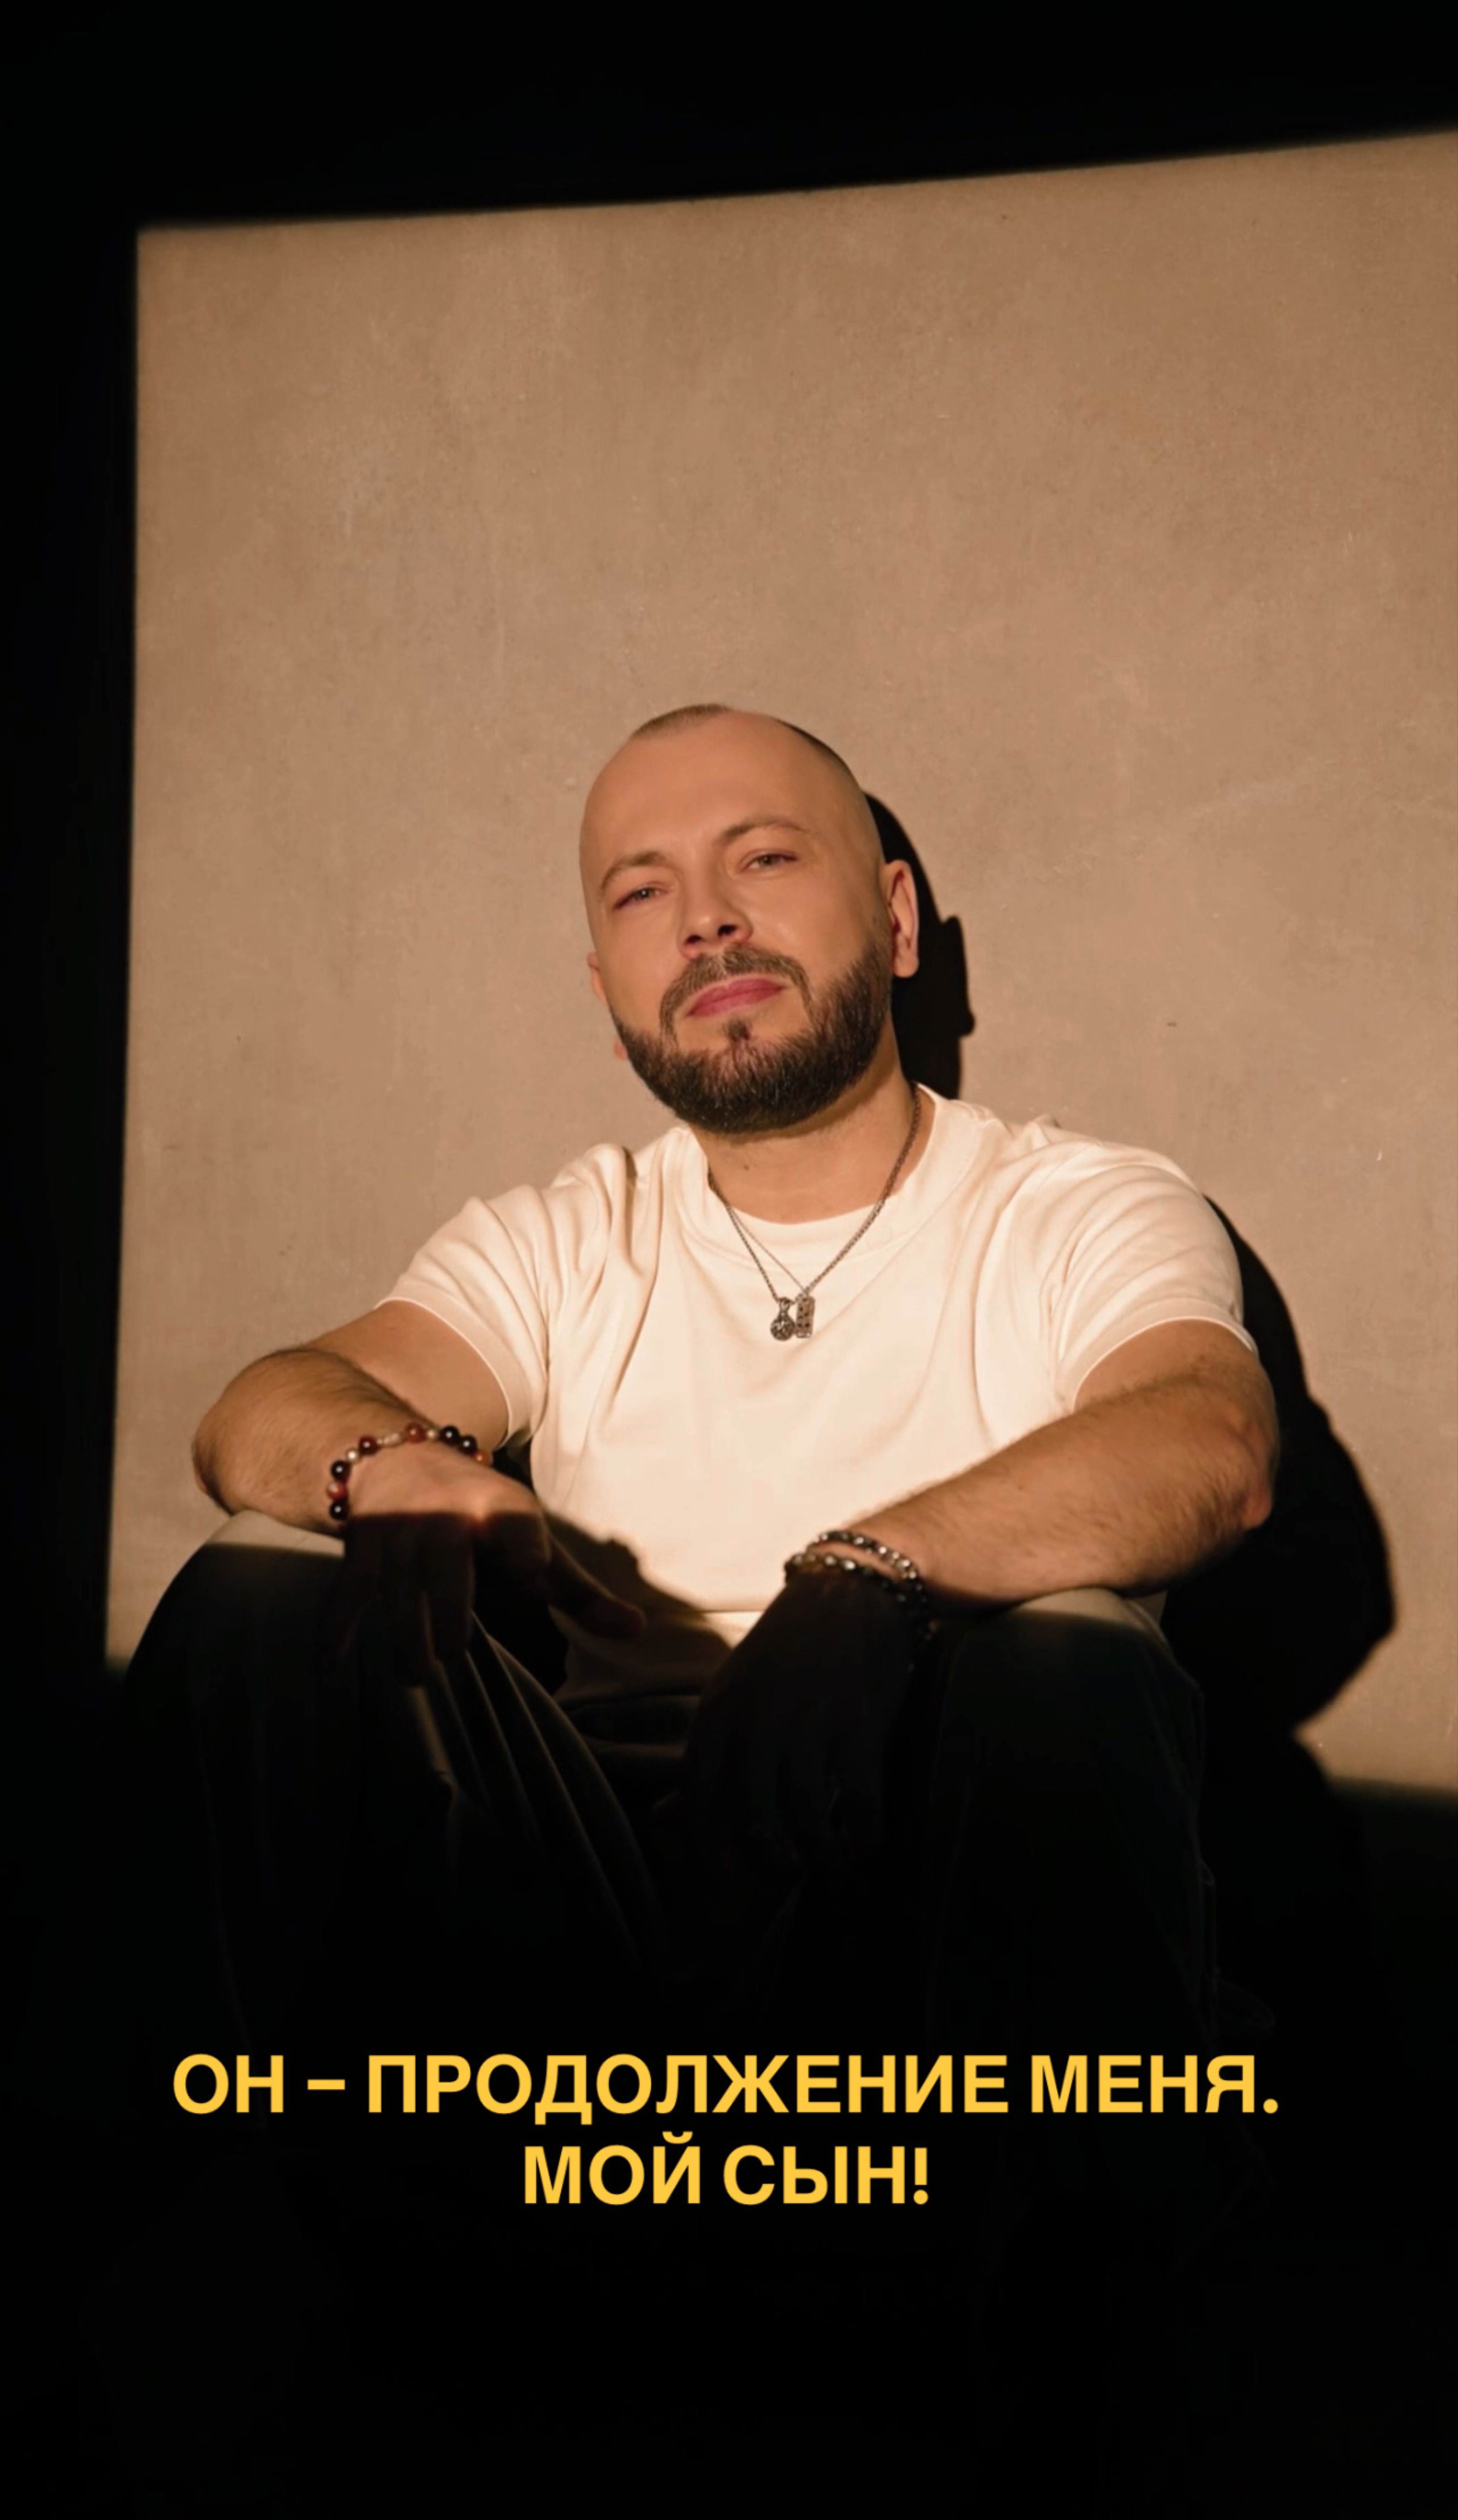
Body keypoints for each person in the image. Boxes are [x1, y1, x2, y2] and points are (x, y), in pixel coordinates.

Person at [140, 702, 1276, 2297]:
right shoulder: (566, 1235)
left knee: (1074, 1651)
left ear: (895, 922)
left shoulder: (1075, 1207)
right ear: (608, 996)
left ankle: (1035, 2348)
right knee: (262, 1576)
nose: (707, 921)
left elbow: (1209, 1441)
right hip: (572, 1941)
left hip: (920, 1929)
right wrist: (385, 1465)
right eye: (643, 890)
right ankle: (237, 2274)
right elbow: (262, 1407)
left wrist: (870, 1584)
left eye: (764, 859)